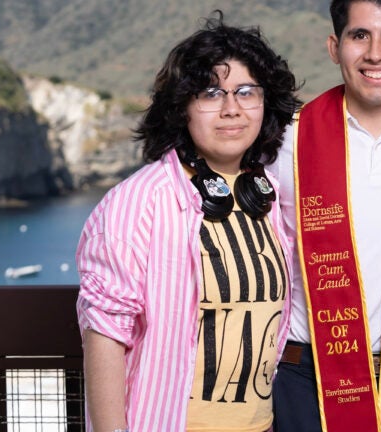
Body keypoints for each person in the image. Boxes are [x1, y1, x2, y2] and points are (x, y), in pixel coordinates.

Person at [75, 11, 302, 432]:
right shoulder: (137, 203)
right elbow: (105, 336)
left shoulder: (269, 195)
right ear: (183, 107)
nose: (231, 109)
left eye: (246, 92)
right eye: (212, 93)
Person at [268, 0, 381, 430]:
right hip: (305, 382)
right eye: (359, 36)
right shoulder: (283, 142)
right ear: (335, 47)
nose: (375, 52)